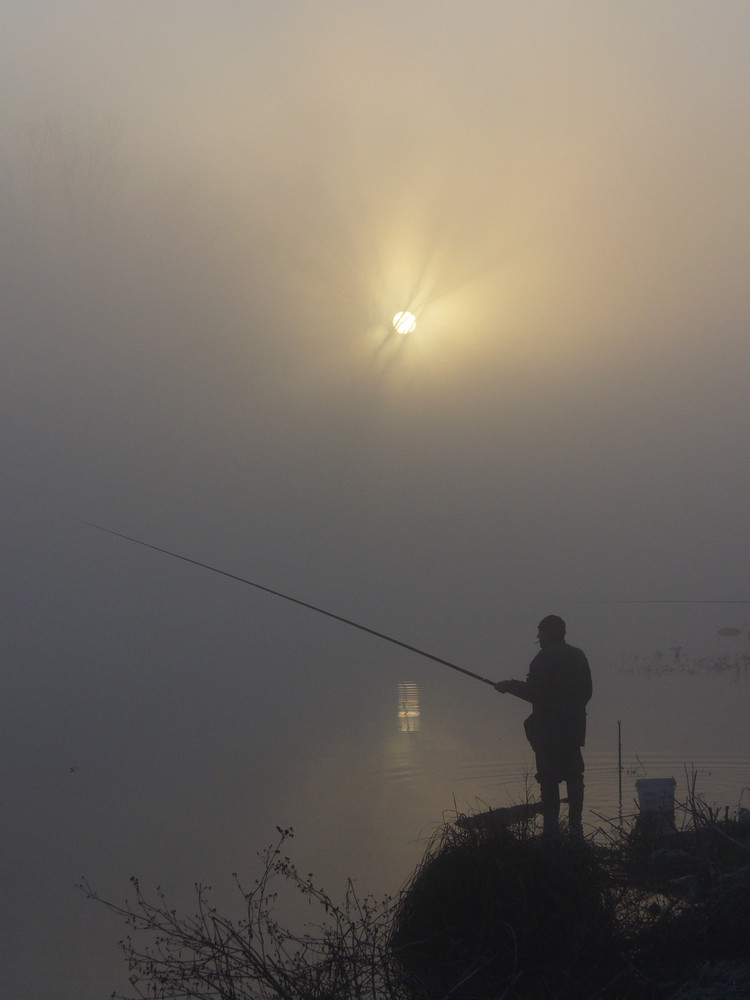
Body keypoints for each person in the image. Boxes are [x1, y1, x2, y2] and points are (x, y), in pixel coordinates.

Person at [495, 615, 592, 837]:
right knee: (575, 777)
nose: (538, 637)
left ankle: (551, 831)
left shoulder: (542, 659)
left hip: (549, 732)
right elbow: (588, 691)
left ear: (548, 634)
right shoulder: (579, 656)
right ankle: (576, 827)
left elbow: (533, 692)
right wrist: (571, 710)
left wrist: (508, 686)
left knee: (549, 781)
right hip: (573, 731)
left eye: (540, 633)